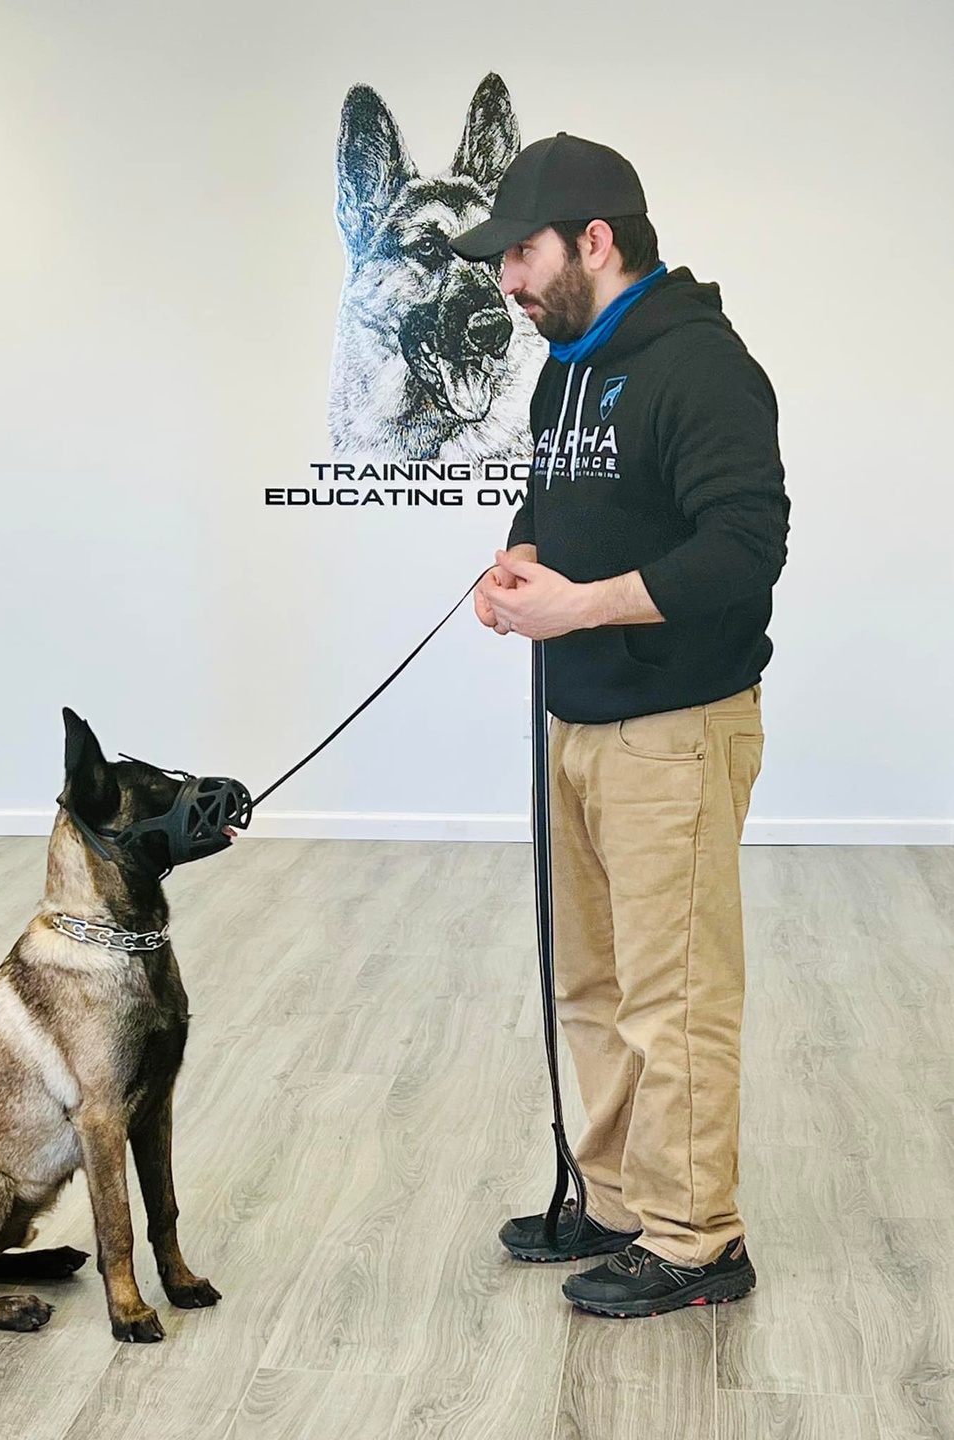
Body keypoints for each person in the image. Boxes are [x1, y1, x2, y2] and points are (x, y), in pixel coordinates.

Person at [450, 134, 790, 1319]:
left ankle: (698, 1240)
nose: (507, 280)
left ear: (595, 240)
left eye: (522, 253)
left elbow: (745, 550)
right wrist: (518, 562)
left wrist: (580, 606)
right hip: (579, 720)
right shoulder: (567, 369)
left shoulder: (703, 367)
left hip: (675, 730)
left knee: (673, 995)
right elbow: (552, 506)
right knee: (589, 986)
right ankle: (617, 1202)